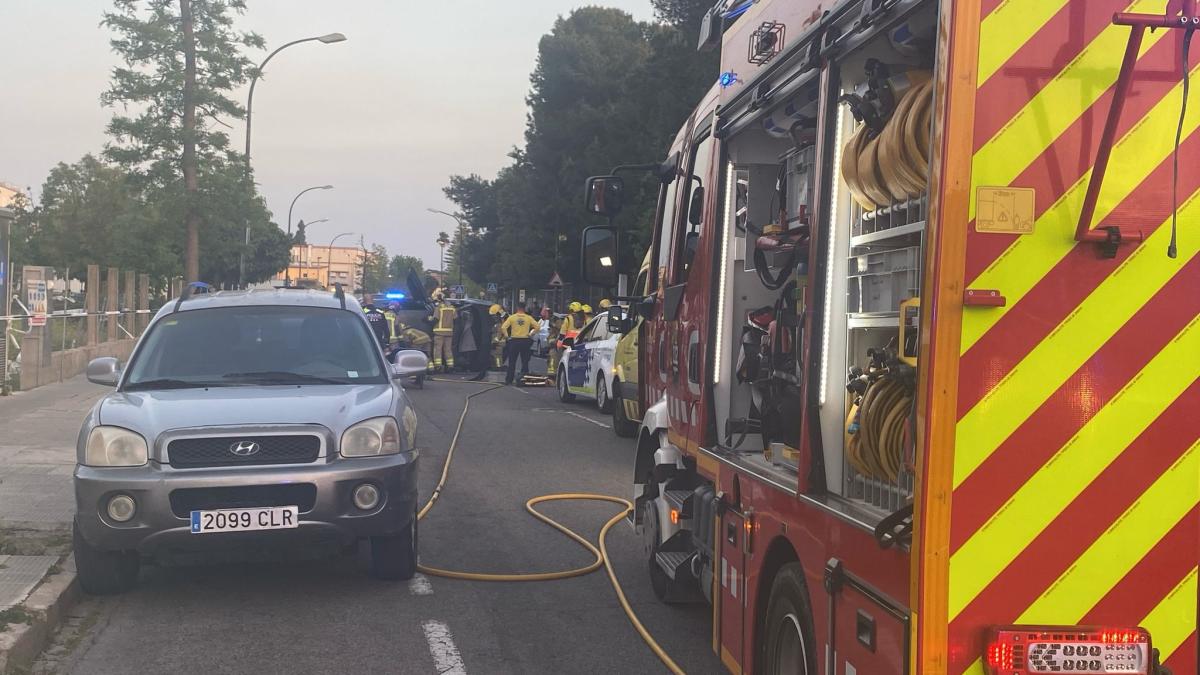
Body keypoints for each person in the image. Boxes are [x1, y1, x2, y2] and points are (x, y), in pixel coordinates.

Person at [501, 303, 539, 385]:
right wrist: (531, 334)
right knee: (525, 362)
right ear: (524, 308)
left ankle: (509, 380)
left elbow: (503, 327)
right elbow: (537, 327)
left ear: (517, 307)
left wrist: (507, 337)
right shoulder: (529, 318)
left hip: (514, 341)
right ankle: (524, 380)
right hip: (525, 341)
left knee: (512, 362)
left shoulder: (512, 317)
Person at [429, 290, 457, 372]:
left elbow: (435, 319)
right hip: (449, 332)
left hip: (439, 332)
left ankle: (438, 366)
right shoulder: (452, 308)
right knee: (448, 349)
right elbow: (456, 320)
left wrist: (428, 320)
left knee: (438, 349)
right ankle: (450, 366)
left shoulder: (439, 308)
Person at [542, 307, 560, 376]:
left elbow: (560, 332)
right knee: (551, 358)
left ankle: (553, 374)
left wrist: (555, 340)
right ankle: (552, 373)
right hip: (554, 342)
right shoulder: (551, 320)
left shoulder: (556, 320)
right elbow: (553, 331)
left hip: (557, 343)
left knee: (553, 357)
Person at [489, 304, 507, 370]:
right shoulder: (498, 323)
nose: (493, 317)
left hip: (498, 343)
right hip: (498, 342)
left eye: (494, 316)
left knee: (497, 356)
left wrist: (494, 342)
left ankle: (499, 367)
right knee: (496, 355)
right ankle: (497, 366)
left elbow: (499, 334)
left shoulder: (499, 324)